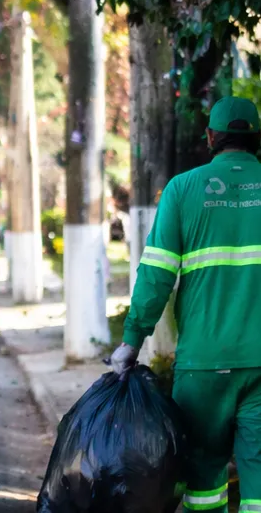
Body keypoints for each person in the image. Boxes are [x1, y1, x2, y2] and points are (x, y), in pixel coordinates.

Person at [109, 96, 261, 513]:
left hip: (204, 364)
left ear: (211, 137)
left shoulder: (183, 189)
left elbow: (156, 276)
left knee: (203, 479)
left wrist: (132, 340)